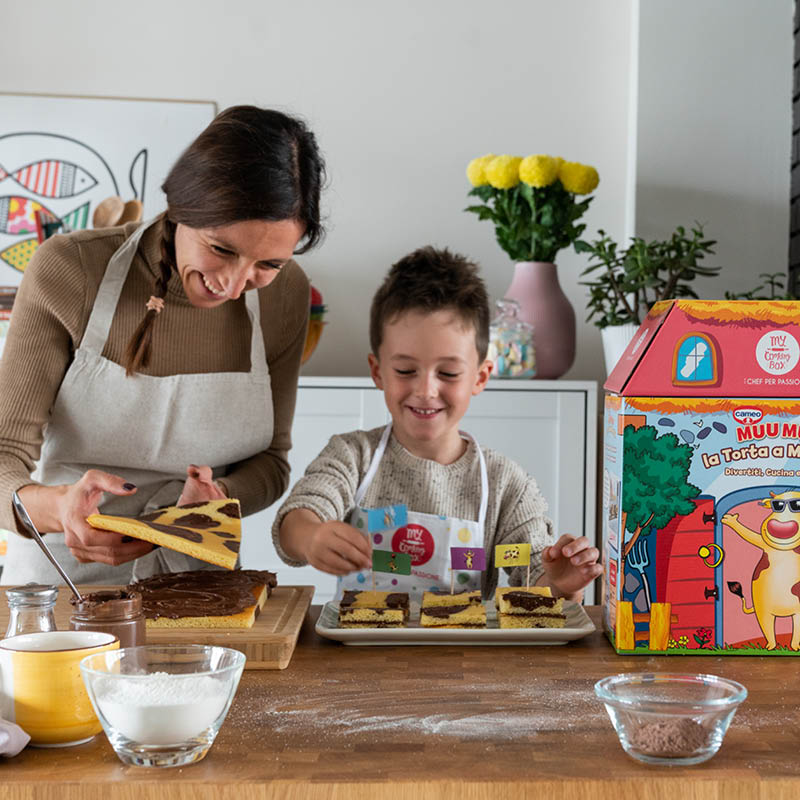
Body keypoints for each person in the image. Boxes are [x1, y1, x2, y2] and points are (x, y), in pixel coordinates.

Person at [0, 105, 326, 586]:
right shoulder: (70, 270)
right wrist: (57, 510)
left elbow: (273, 464)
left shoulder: (287, 295)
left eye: (268, 264)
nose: (234, 286)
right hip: (62, 589)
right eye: (221, 249)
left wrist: (219, 495)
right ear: (181, 208)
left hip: (200, 591)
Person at [273, 247, 602, 601]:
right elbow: (298, 518)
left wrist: (562, 583)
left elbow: (534, 573)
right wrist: (311, 538)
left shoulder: (505, 485)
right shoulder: (353, 457)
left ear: (480, 377)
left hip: (464, 656)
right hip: (363, 654)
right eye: (405, 371)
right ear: (377, 371)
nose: (426, 390)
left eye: (448, 373)